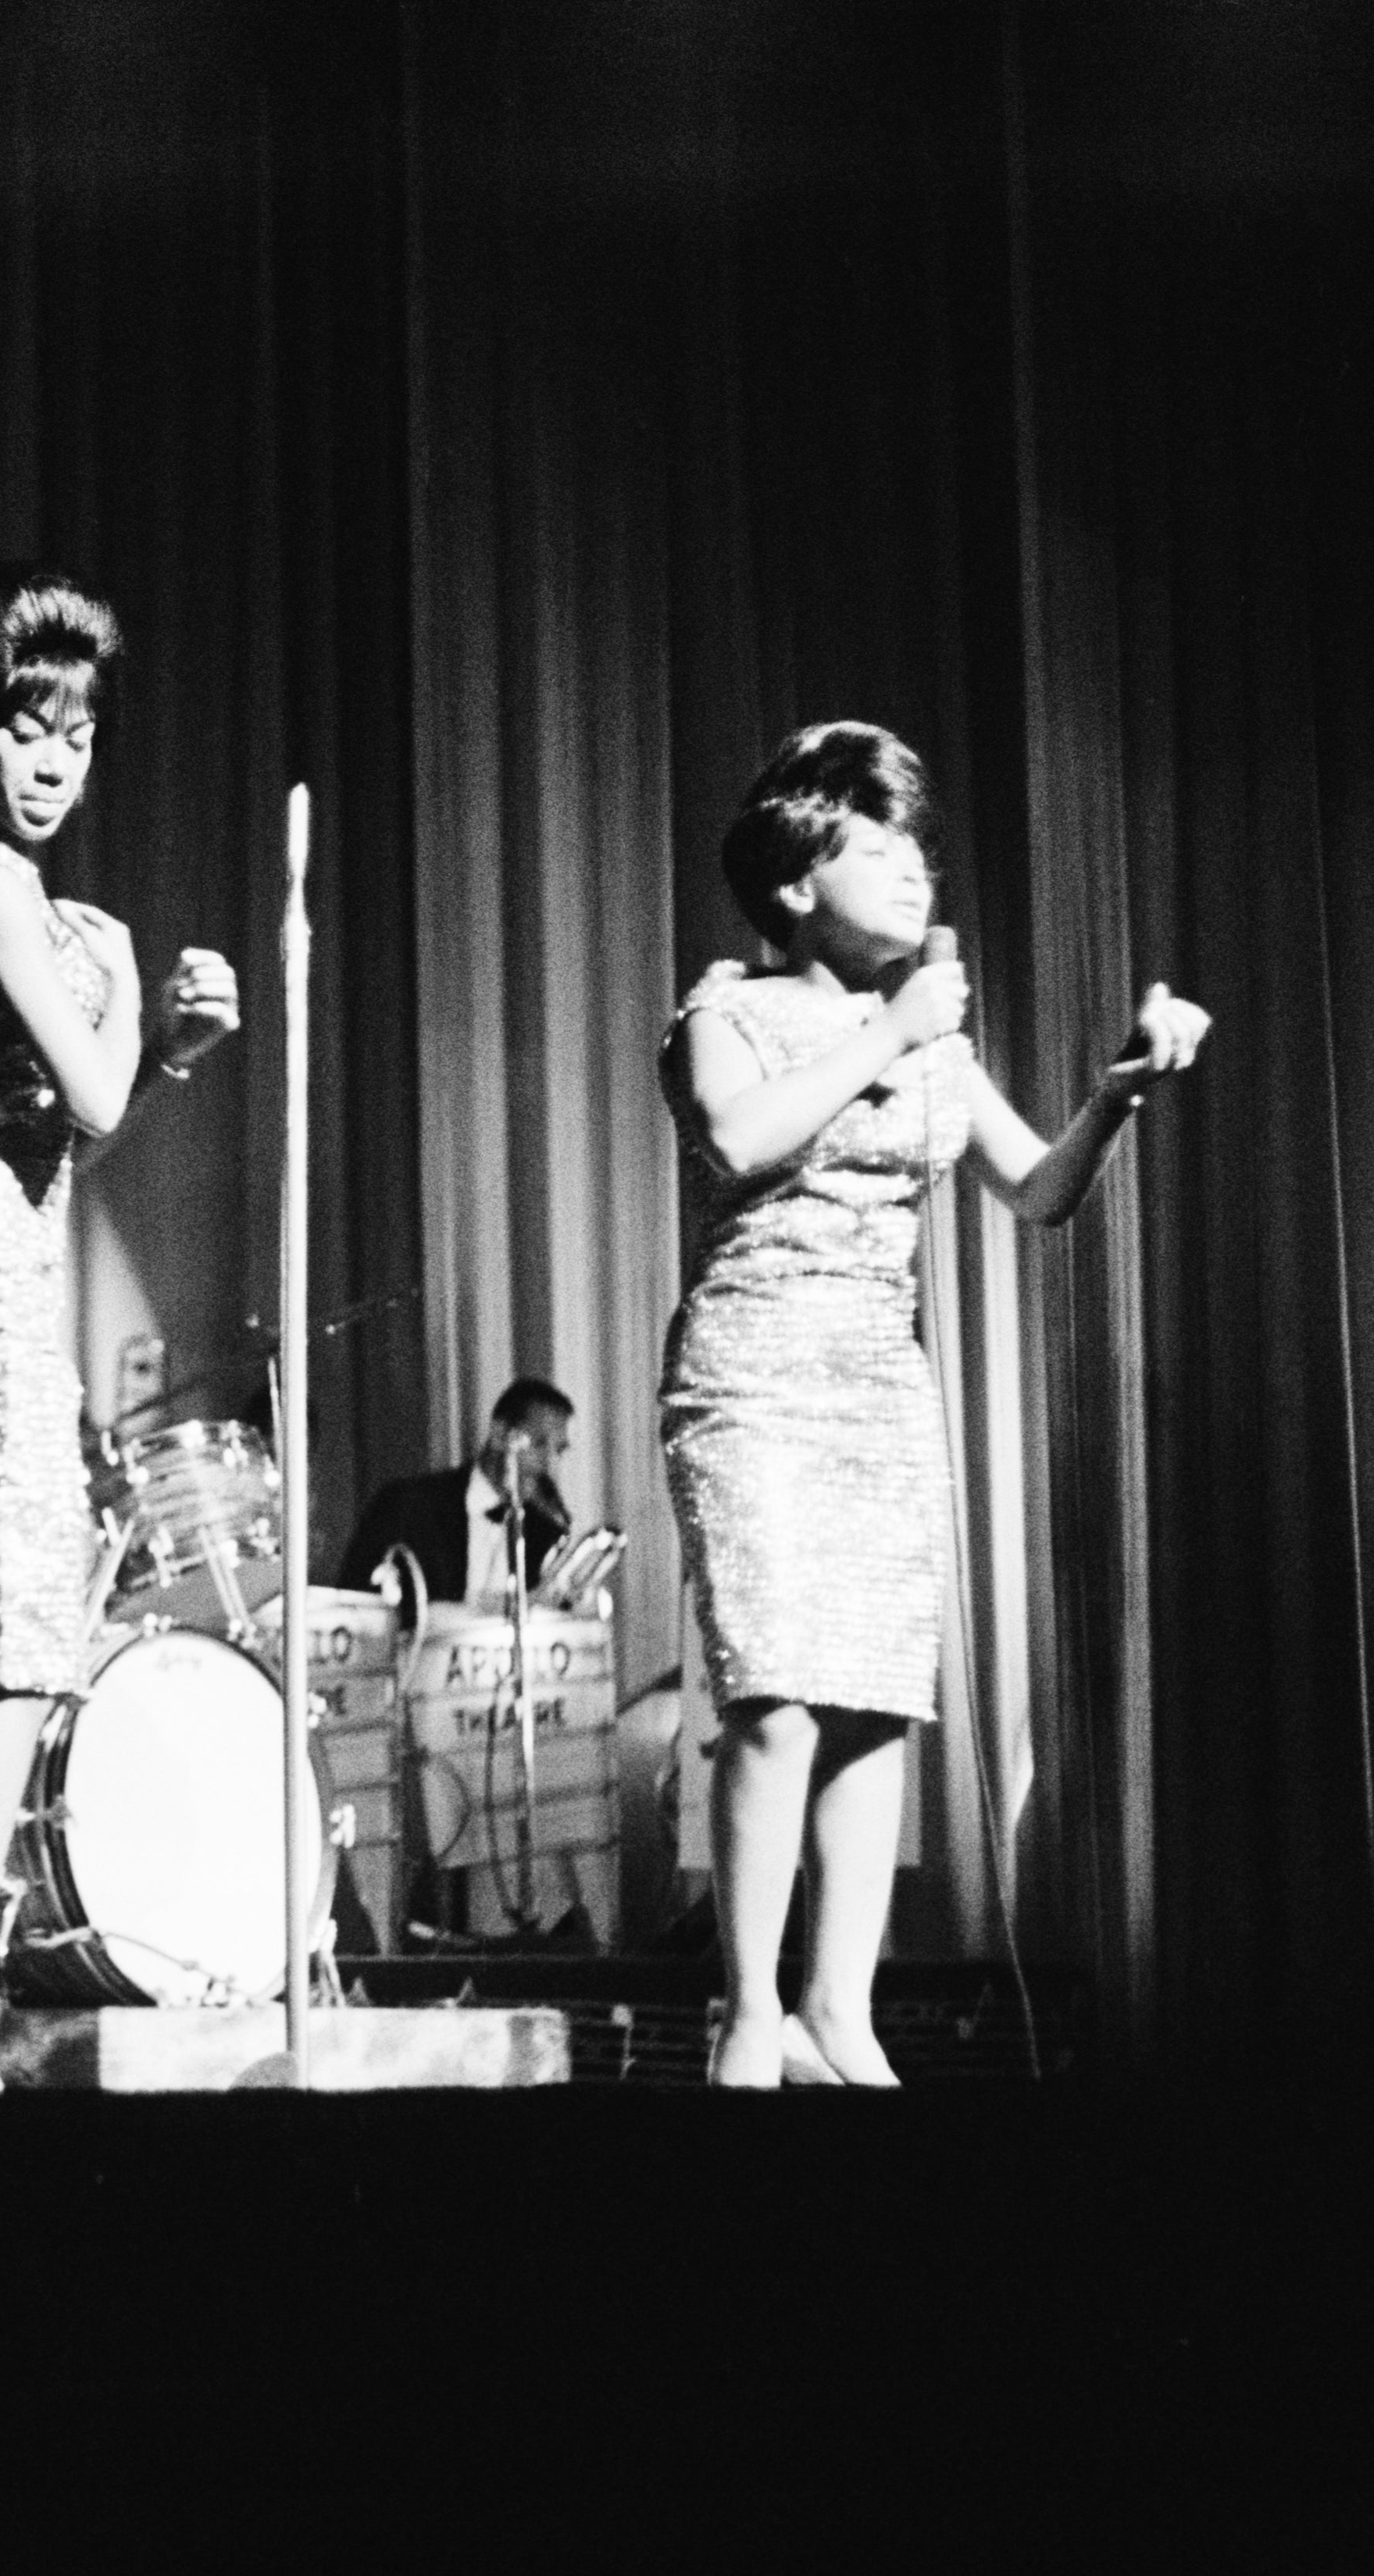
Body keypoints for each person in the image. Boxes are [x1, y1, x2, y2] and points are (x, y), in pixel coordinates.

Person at [664, 722, 1207, 2088]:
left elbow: (1039, 1190)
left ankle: (839, 2011)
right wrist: (887, 1034)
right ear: (797, 879)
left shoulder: (939, 1047)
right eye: (880, 844)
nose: (916, 872)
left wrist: (1117, 1094)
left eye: (921, 845)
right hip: (752, 1377)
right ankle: (744, 2014)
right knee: (777, 1697)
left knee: (867, 1706)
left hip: (878, 1389)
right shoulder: (723, 1009)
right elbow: (735, 1138)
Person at [0, 562, 241, 2092]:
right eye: (26, 725)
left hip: (18, 1266)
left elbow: (77, 1126)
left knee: (12, 1647)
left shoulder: (62, 905)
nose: (50, 760)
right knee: (2, 1639)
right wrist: (145, 1037)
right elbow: (71, 1091)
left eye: (75, 736)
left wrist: (168, 1057)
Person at [337, 1376, 579, 1632]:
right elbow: (357, 1604)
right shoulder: (408, 1505)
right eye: (538, 1444)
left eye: (559, 1450)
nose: (550, 1465)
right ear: (499, 1435)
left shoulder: (547, 1533)